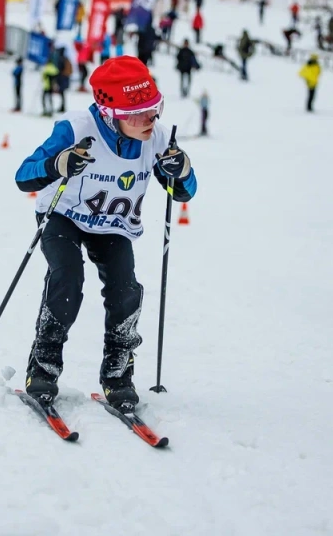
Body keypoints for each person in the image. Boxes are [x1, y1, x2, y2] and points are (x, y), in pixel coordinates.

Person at [14, 56, 198, 409]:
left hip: (112, 225)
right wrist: (57, 164)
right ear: (111, 114)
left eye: (154, 108)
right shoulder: (76, 128)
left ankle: (118, 373)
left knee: (125, 291)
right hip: (63, 216)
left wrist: (183, 170)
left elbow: (183, 192)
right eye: (138, 112)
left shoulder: (156, 138)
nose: (151, 119)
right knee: (67, 279)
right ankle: (43, 368)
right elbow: (24, 177)